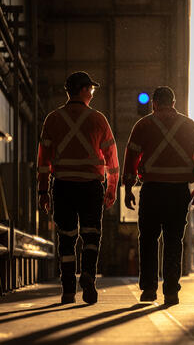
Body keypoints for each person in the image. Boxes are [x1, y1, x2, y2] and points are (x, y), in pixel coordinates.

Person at [37, 71, 119, 304]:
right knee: (91, 234)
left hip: (62, 186)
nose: (93, 93)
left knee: (66, 238)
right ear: (83, 90)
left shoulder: (53, 119)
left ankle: (68, 291)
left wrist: (43, 191)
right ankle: (88, 275)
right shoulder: (98, 119)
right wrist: (112, 187)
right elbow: (112, 158)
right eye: (91, 89)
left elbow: (43, 161)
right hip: (91, 187)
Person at [123, 86, 194, 305]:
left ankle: (149, 290)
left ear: (154, 103)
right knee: (173, 240)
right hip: (179, 191)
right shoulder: (189, 126)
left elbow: (131, 156)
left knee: (148, 240)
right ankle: (171, 290)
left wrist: (129, 188)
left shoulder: (143, 125)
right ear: (174, 102)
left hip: (151, 190)